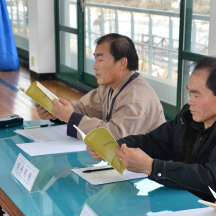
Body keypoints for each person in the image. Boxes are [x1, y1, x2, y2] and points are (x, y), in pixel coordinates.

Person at [88, 56, 216, 201]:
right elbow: (155, 142)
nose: (190, 101)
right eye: (189, 93)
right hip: (186, 199)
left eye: (196, 94)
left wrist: (152, 167)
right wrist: (114, 146)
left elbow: (210, 181)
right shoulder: (190, 115)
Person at [35, 33, 165, 140]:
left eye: (100, 60)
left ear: (122, 63)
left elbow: (115, 136)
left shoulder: (136, 97)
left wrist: (69, 116)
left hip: (148, 166)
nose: (95, 66)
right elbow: (85, 108)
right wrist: (57, 111)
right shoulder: (110, 86)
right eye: (95, 59)